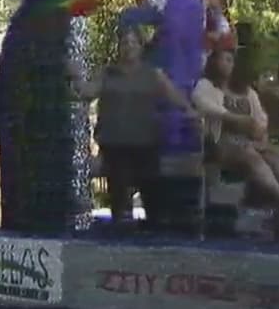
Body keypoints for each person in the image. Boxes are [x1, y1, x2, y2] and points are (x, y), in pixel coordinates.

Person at [67, 26, 197, 225]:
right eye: (124, 43)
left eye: (133, 42)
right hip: (114, 145)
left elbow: (176, 97)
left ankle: (154, 222)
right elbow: (87, 93)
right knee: (119, 182)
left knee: (153, 194)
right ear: (119, 47)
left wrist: (191, 112)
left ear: (140, 46)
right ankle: (121, 219)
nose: (128, 47)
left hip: (145, 143)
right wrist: (75, 76)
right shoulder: (107, 73)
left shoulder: (153, 74)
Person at [193, 50, 279, 212]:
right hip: (219, 144)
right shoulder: (205, 86)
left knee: (277, 159)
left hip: (250, 142)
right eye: (226, 59)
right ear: (213, 62)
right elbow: (204, 105)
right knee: (251, 156)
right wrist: (235, 119)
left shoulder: (248, 92)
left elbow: (261, 119)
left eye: (232, 61)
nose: (230, 64)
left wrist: (258, 130)